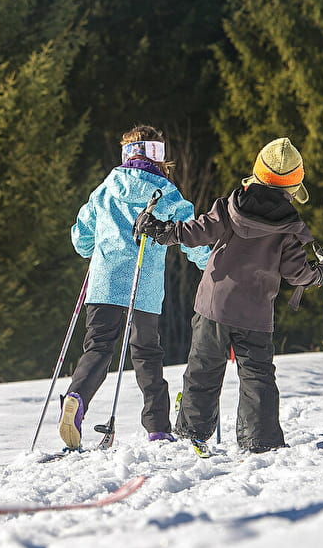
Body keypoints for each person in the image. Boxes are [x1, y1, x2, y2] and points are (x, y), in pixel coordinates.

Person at [133, 137, 323, 456]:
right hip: (255, 314)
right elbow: (296, 273)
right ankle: (261, 440)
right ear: (292, 186)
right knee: (257, 376)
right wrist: (321, 272)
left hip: (214, 304)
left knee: (203, 367)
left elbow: (196, 231)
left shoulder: (231, 206)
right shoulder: (289, 228)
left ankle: (192, 431)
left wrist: (162, 231)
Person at [59, 126, 210, 449]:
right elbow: (190, 234)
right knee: (147, 355)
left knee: (98, 347)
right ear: (157, 155)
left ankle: (76, 397)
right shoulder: (167, 193)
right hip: (144, 286)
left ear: (127, 154)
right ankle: (157, 426)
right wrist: (209, 263)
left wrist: (92, 247)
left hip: (104, 282)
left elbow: (81, 237)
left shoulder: (105, 189)